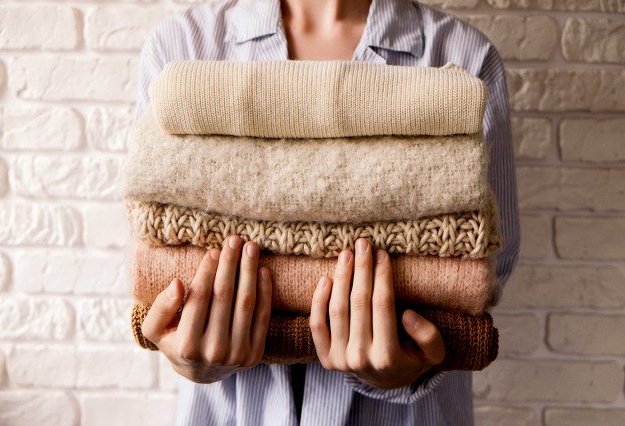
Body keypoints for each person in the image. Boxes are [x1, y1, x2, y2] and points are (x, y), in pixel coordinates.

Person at [136, 0, 520, 424]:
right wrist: (187, 358)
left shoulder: (462, 56)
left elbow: (483, 269)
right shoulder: (182, 47)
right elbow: (155, 253)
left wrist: (413, 367)